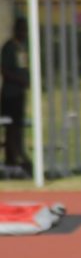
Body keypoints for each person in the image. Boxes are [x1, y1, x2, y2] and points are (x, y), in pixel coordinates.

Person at [1, 18, 32, 177]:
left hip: (20, 94)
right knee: (11, 126)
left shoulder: (23, 47)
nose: (24, 33)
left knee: (18, 126)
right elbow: (4, 70)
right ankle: (12, 158)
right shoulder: (9, 47)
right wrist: (20, 80)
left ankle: (17, 155)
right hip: (10, 94)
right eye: (22, 29)